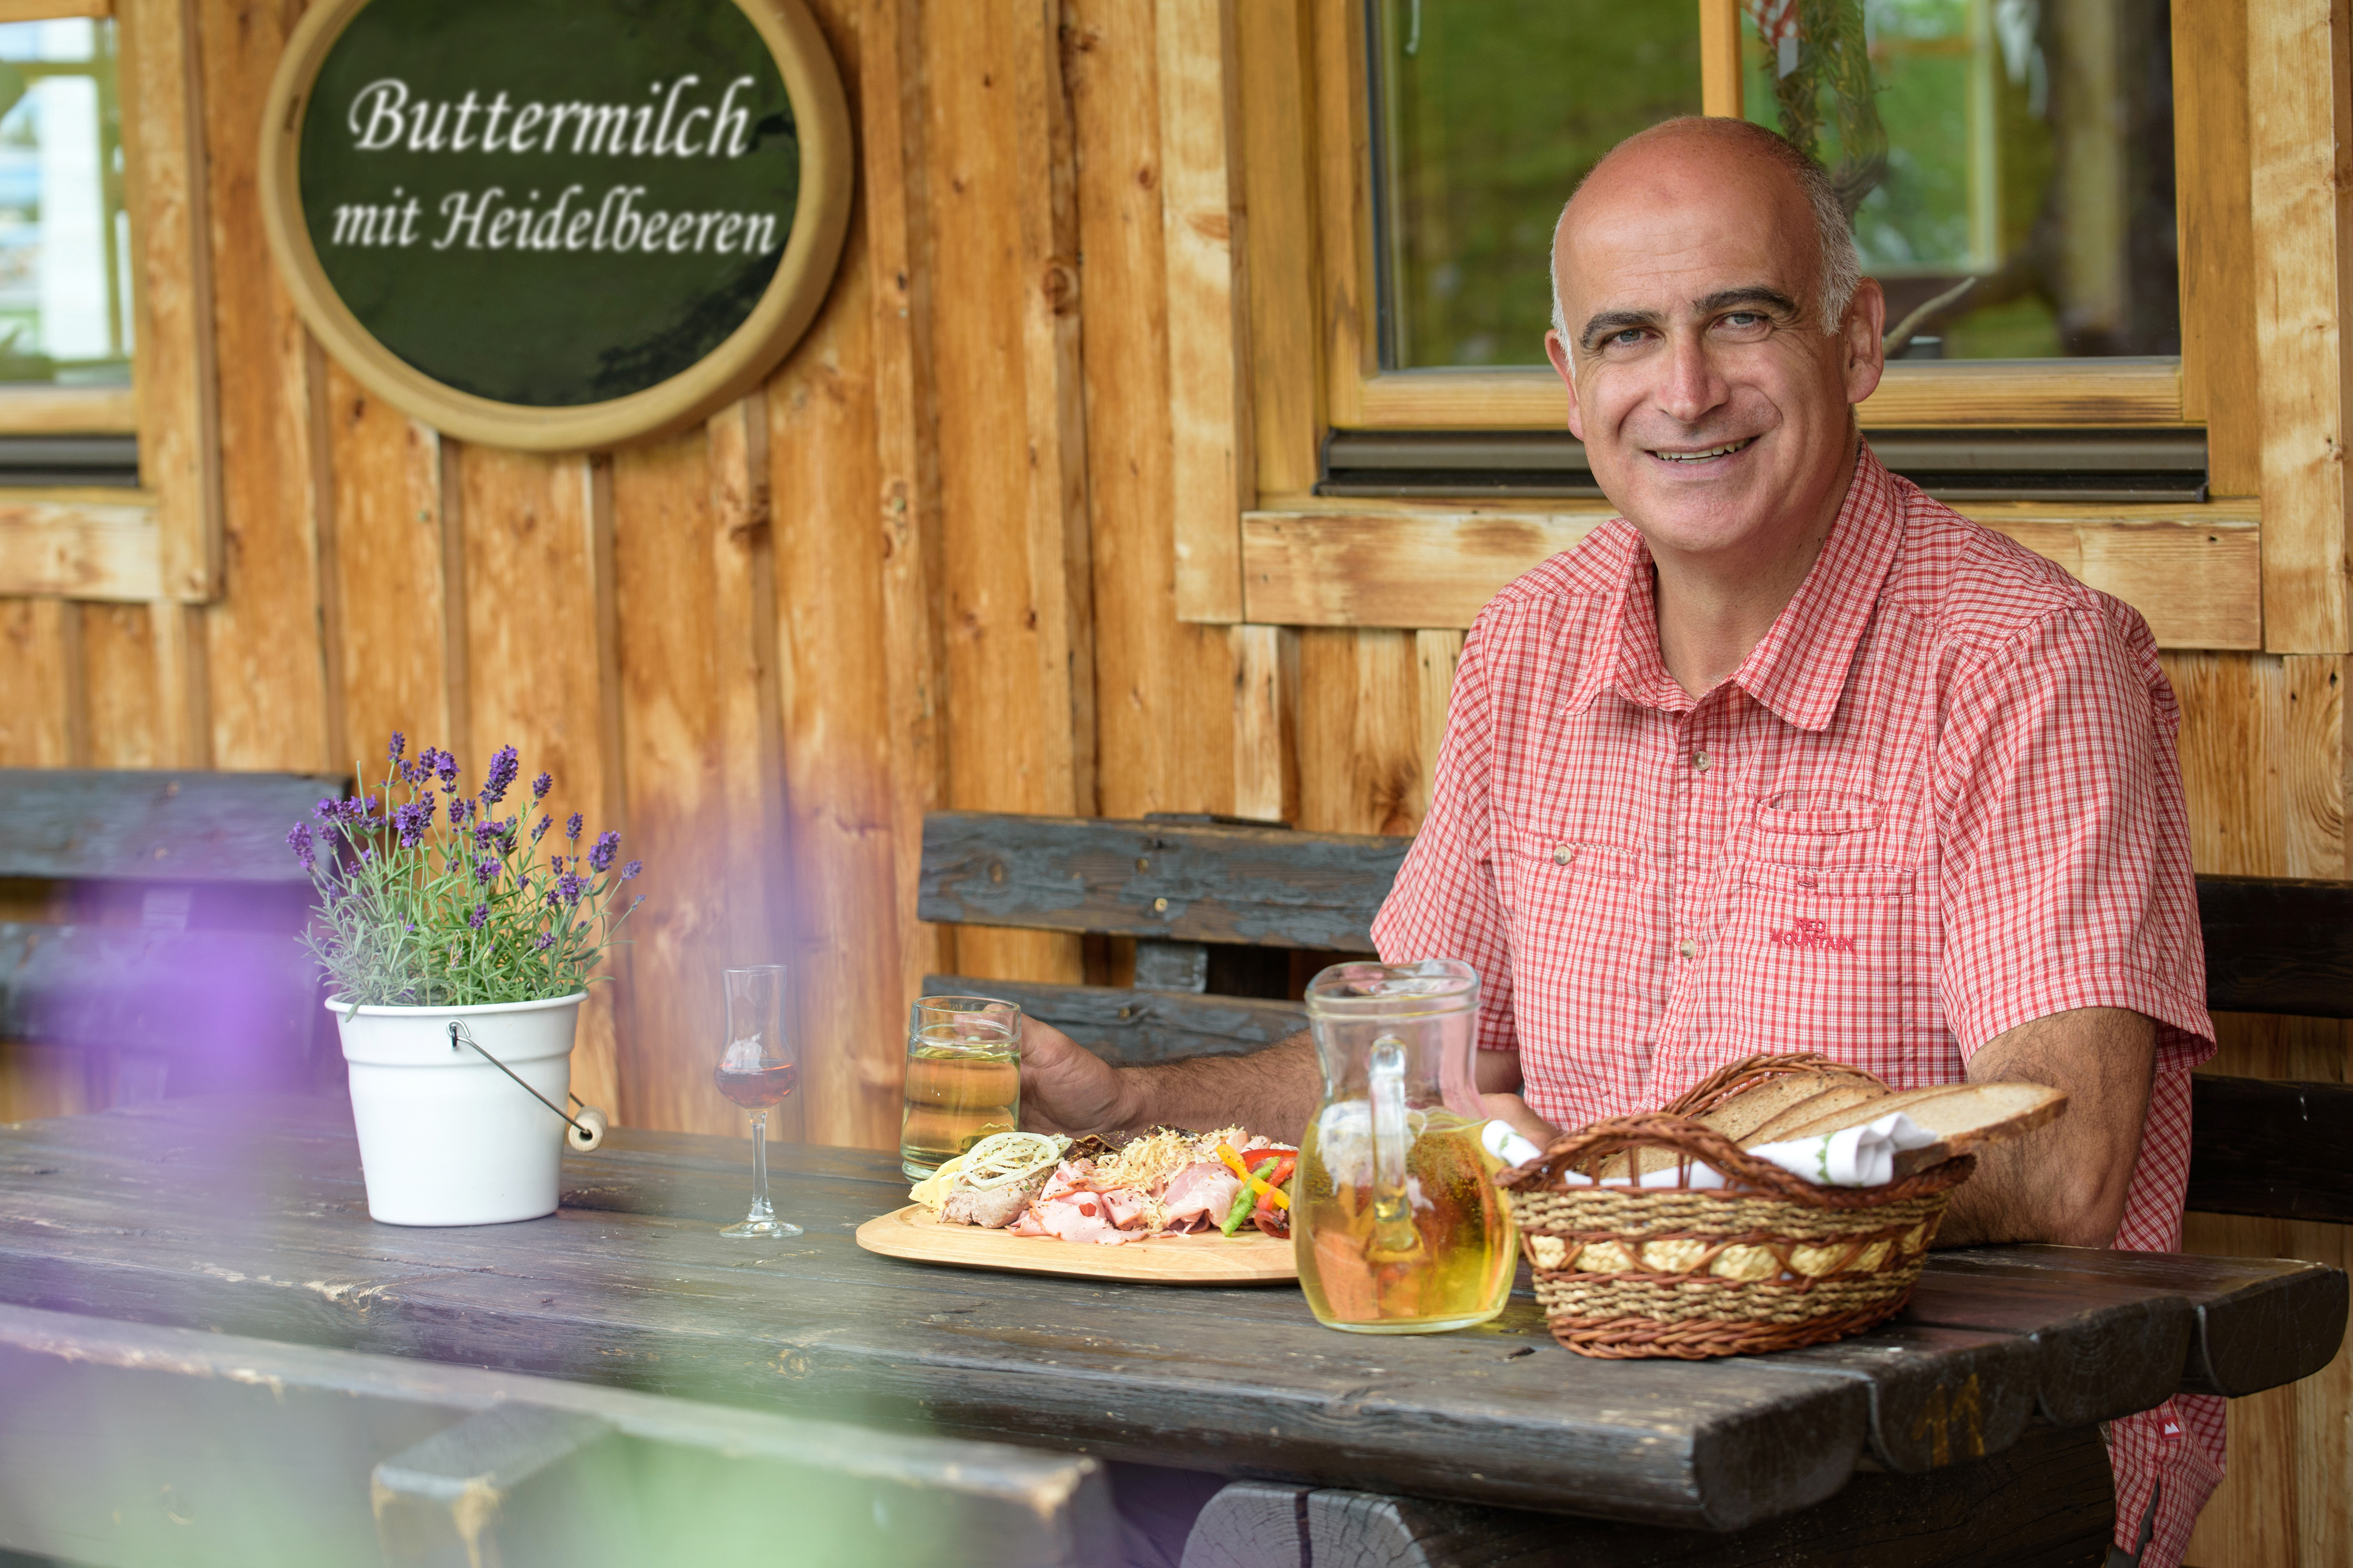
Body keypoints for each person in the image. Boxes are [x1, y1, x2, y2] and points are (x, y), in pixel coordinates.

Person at [1015, 117, 2217, 1566]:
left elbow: (2063, 1157)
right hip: (1566, 1411)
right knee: (1084, 1496)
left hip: (1952, 1444)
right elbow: (1422, 1068)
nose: (1685, 389)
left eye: (1740, 319)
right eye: (1628, 336)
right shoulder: (1529, 645)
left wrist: (1607, 1178)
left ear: (1853, 343)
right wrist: (1131, 1115)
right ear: (1568, 386)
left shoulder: (2023, 662)